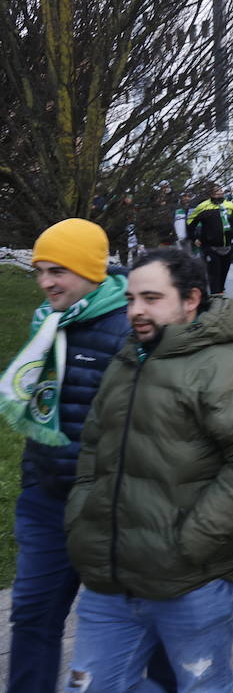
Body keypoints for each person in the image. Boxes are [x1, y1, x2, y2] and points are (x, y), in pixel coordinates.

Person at [64, 249, 233, 691]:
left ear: (191, 299)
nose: (136, 310)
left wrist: (189, 541)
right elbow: (94, 443)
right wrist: (82, 511)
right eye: (131, 299)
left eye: (151, 297)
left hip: (193, 580)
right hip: (110, 576)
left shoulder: (229, 367)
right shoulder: (130, 358)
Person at [0, 221, 135, 692]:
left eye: (58, 270)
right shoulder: (50, 321)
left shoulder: (128, 330)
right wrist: (35, 482)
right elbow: (42, 408)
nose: (45, 282)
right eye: (39, 271)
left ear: (89, 269)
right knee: (33, 616)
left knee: (116, 632)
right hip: (46, 499)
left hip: (106, 511)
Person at [187, 185, 233, 293]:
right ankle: (215, 297)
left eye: (220, 190)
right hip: (210, 247)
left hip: (227, 247)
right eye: (215, 191)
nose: (219, 193)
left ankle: (220, 294)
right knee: (214, 275)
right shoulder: (203, 206)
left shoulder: (230, 206)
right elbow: (190, 223)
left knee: (223, 275)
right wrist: (194, 238)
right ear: (210, 193)